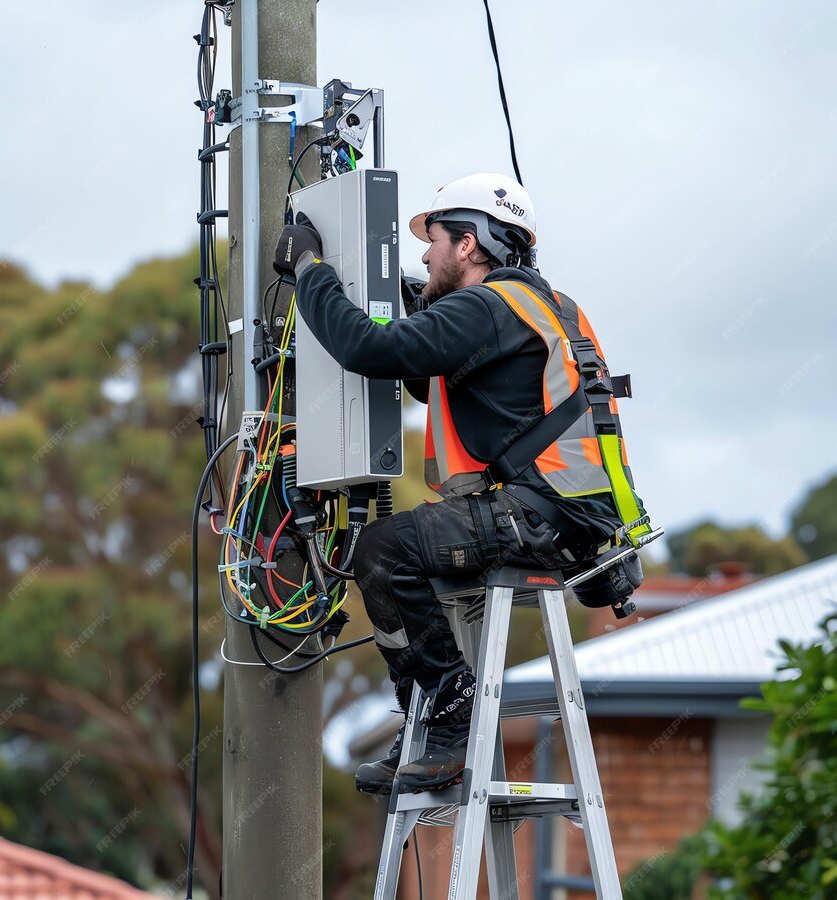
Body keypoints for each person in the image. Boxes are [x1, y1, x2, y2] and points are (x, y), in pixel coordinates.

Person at [274, 173, 643, 795]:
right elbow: (437, 374)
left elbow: (370, 349)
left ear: (469, 244)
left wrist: (309, 269)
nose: (424, 253)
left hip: (541, 514)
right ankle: (432, 716)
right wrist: (394, 289)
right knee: (403, 550)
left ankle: (449, 713)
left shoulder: (485, 307)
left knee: (382, 551)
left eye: (434, 239)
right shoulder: (546, 304)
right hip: (578, 519)